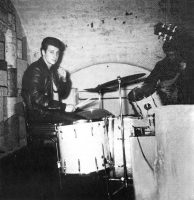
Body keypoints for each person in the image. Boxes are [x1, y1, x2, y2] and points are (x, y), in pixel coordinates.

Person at [21, 37, 85, 125]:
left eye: (57, 53)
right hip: (39, 114)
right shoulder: (35, 69)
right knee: (79, 120)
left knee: (83, 114)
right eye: (51, 52)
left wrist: (64, 79)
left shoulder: (53, 70)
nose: (55, 56)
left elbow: (63, 94)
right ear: (43, 52)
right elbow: (36, 98)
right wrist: (63, 107)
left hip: (49, 111)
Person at [143, 41, 187, 105]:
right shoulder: (161, 65)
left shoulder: (183, 64)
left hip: (183, 98)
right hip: (165, 98)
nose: (172, 57)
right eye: (169, 55)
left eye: (174, 54)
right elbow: (149, 81)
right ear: (165, 53)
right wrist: (159, 88)